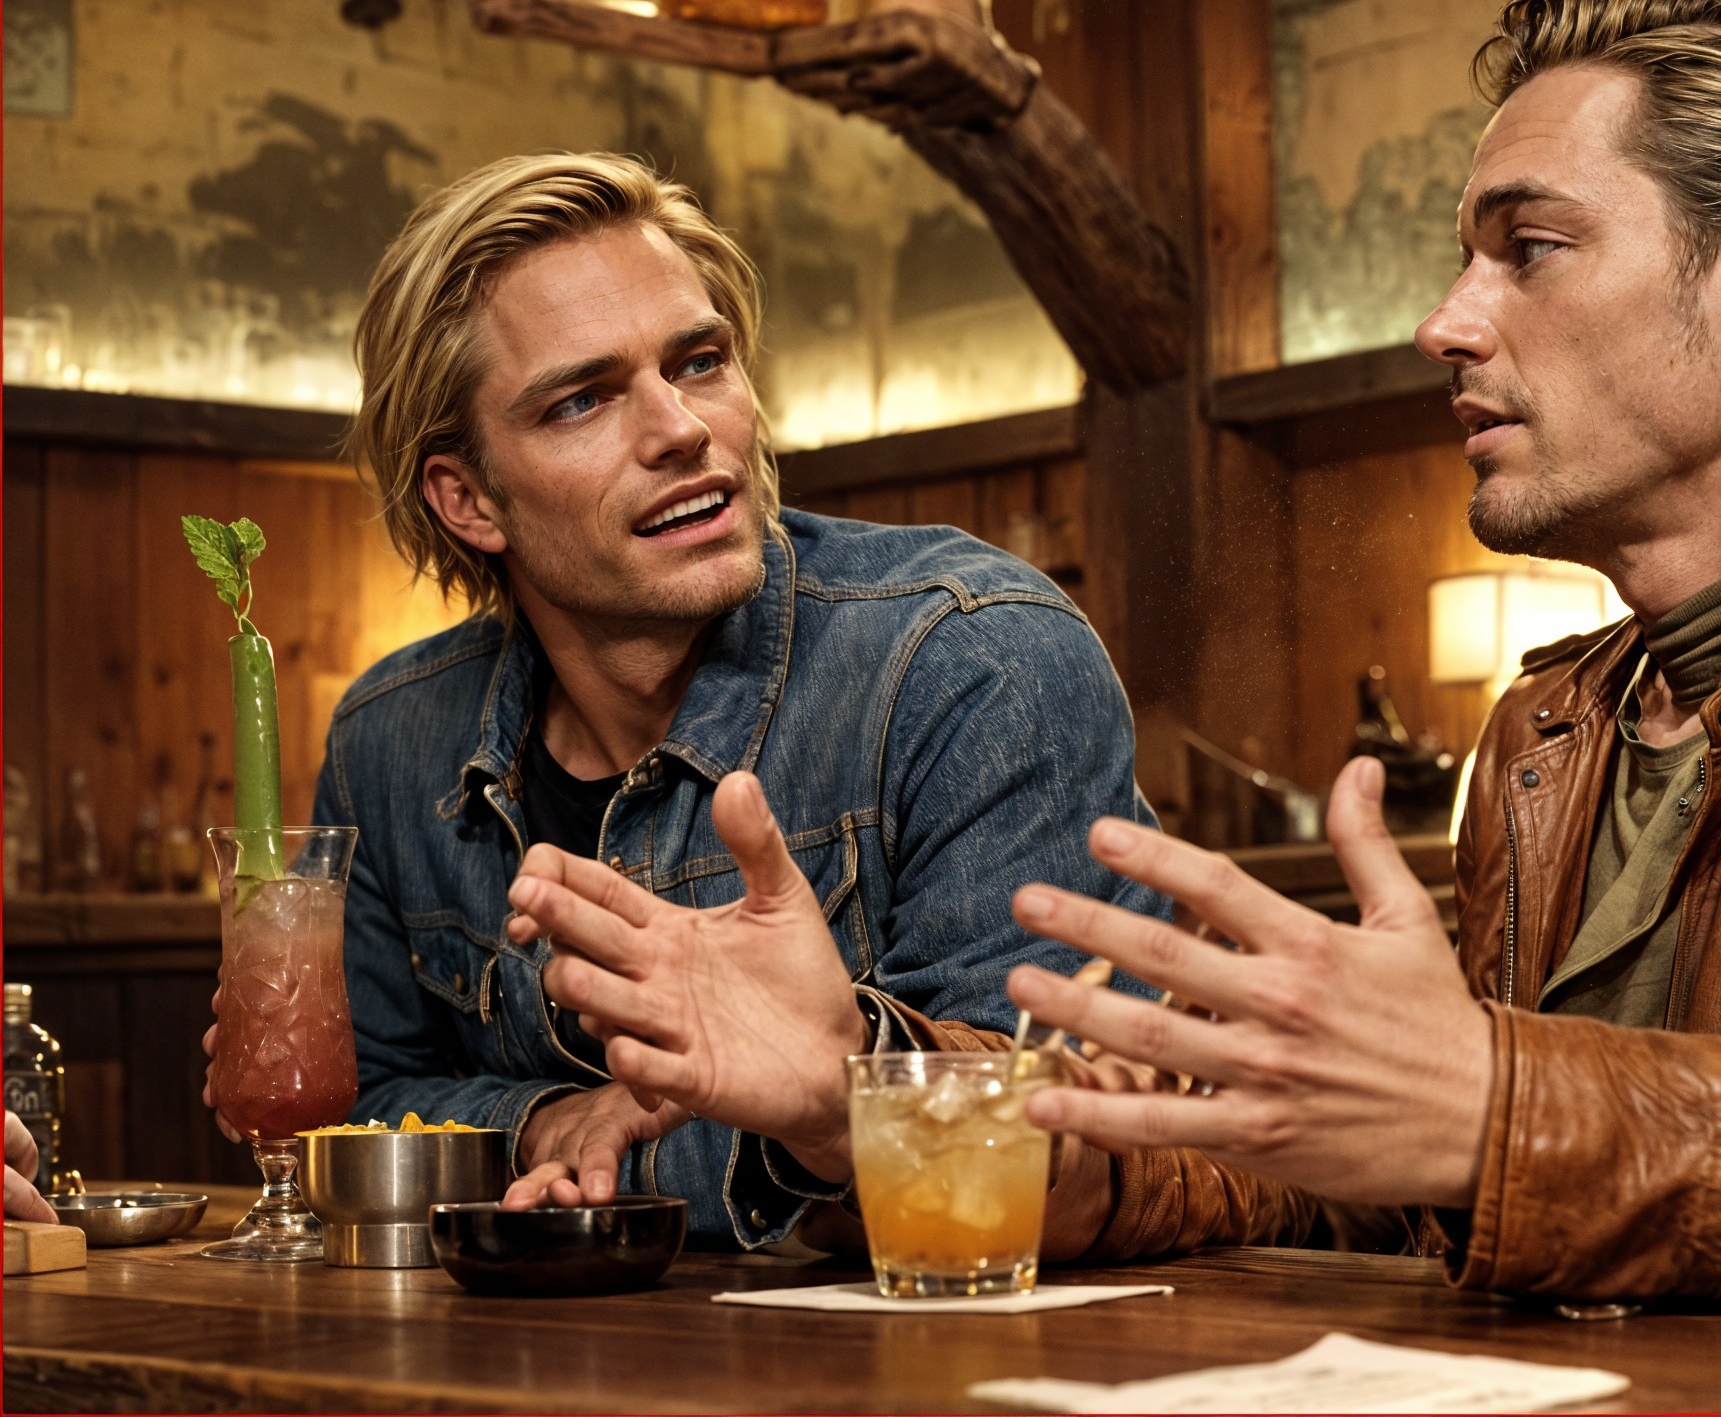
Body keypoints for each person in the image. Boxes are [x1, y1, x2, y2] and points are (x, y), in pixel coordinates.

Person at [518, 0, 1721, 1327]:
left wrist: (1495, 1098)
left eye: (1523, 249)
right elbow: (1309, 1138)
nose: (1447, 322)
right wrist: (867, 1097)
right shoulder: (1561, 717)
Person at [206, 153, 1168, 1251]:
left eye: (700, 361)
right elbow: (350, 1118)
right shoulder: (392, 736)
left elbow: (1030, 1153)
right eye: (582, 401)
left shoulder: (973, 660)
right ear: (468, 499)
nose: (680, 427)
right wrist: (545, 1124)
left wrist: (711, 1123)